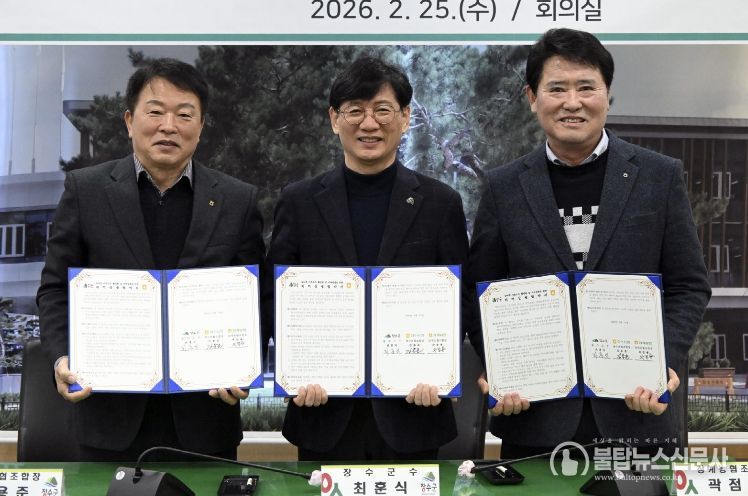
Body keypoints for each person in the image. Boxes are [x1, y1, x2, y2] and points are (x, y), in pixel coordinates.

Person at [466, 28, 711, 458]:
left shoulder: (658, 176)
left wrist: (664, 362)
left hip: (637, 413)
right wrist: (501, 369)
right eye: (556, 88)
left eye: (586, 87)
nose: (572, 102)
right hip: (534, 418)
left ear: (607, 95)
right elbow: (480, 291)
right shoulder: (504, 187)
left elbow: (688, 285)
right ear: (532, 97)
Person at [37, 58, 266, 461]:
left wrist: (244, 367)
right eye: (155, 112)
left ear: (201, 126)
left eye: (184, 115)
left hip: (205, 419)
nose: (168, 126)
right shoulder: (86, 191)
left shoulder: (237, 199)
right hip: (108, 418)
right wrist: (61, 356)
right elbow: (55, 289)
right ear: (129, 121)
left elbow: (258, 297)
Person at [266, 56, 469, 461]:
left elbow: (460, 298)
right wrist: (296, 367)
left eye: (382, 110)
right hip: (322, 411)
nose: (369, 124)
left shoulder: (440, 203)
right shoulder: (299, 201)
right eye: (355, 111)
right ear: (334, 119)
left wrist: (438, 368)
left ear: (405, 117)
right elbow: (275, 294)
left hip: (413, 411)